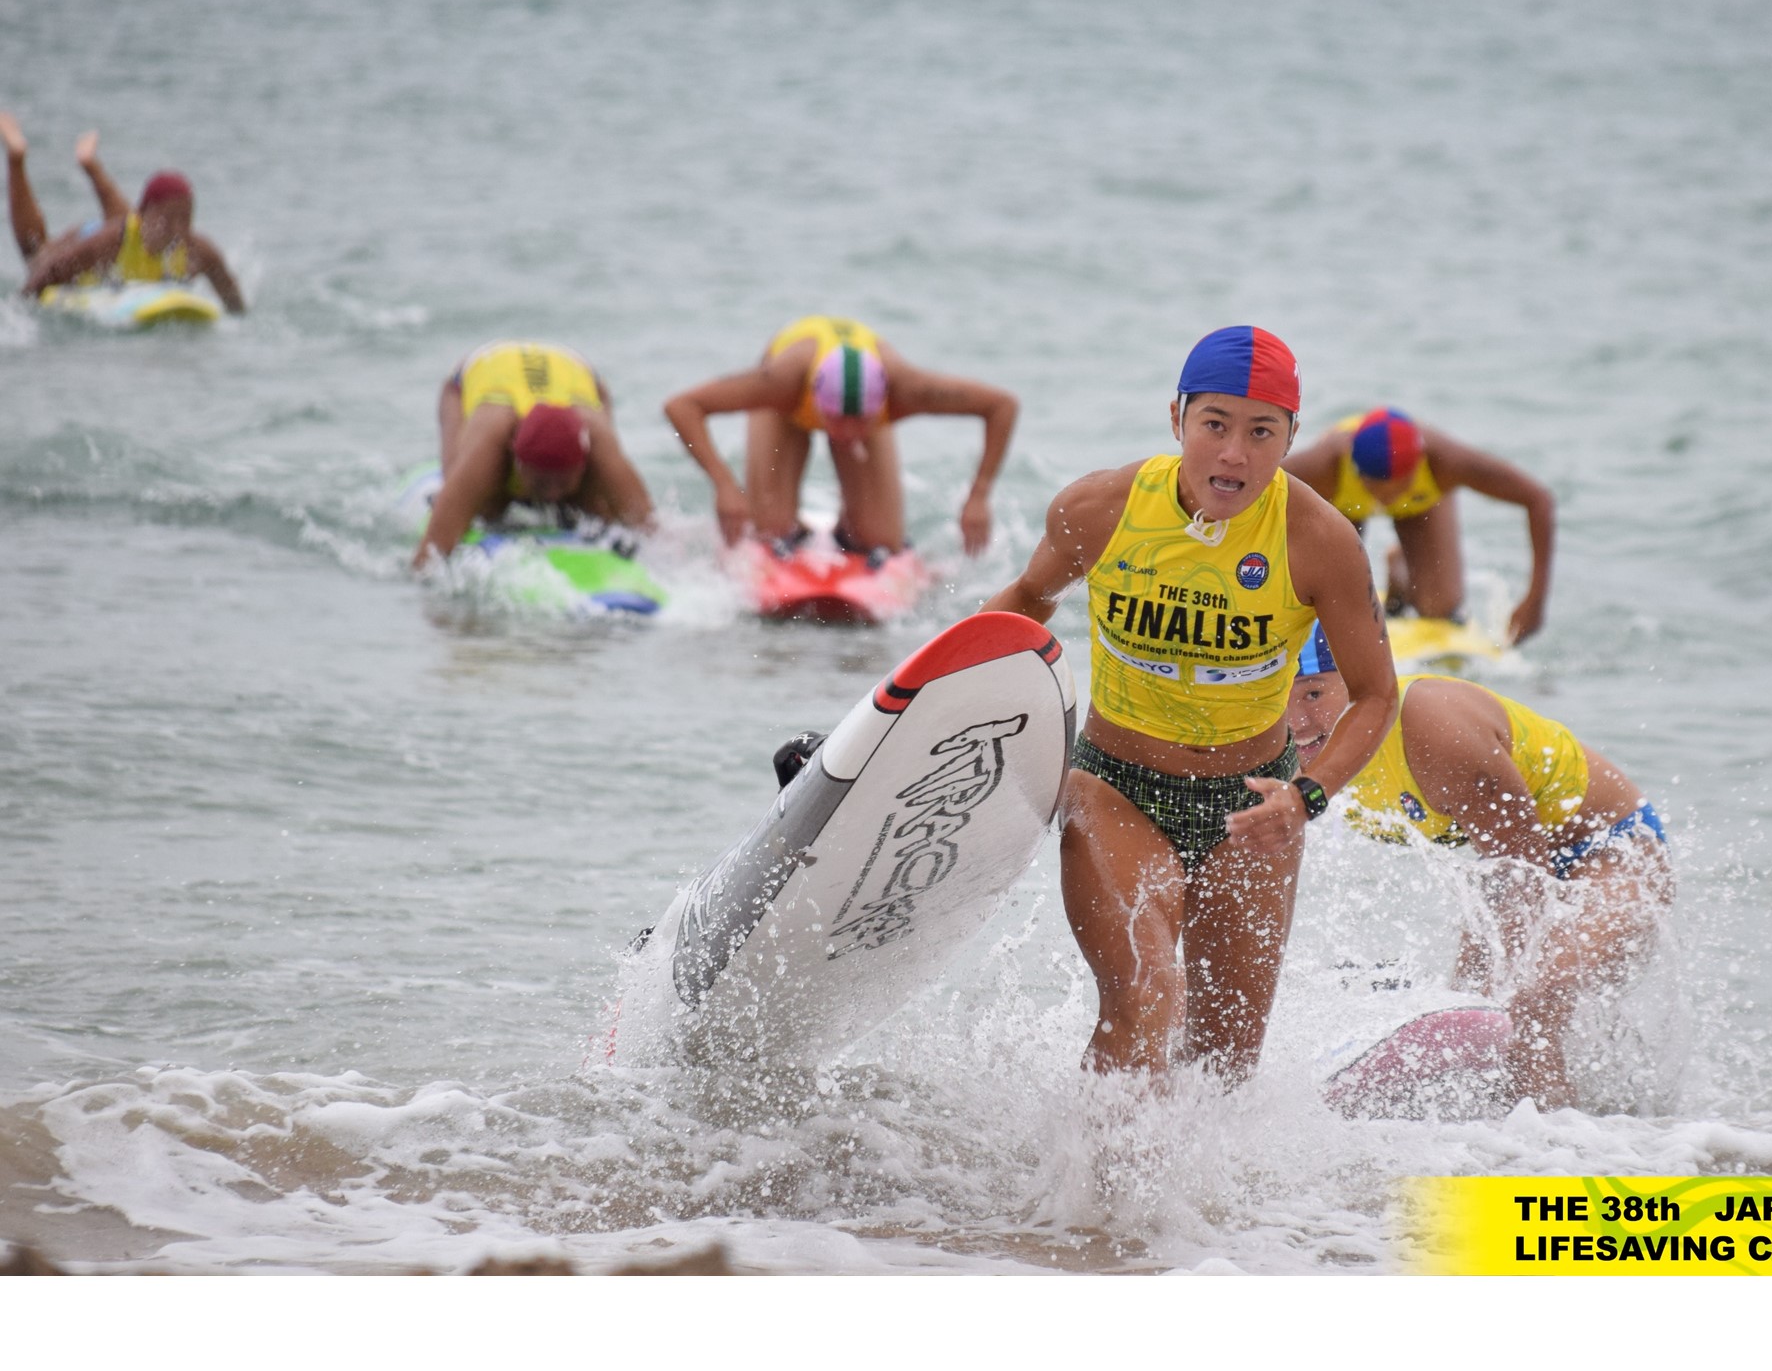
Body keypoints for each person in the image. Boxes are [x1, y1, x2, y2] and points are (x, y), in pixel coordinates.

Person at [980, 326, 1397, 1081]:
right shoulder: (1100, 509)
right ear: (1177, 419)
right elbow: (1025, 600)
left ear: (1290, 436)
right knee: (1145, 996)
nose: (1235, 453)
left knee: (1224, 1066)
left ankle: (1188, 1204)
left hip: (1255, 806)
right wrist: (944, 699)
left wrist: (1306, 795)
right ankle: (1085, 1197)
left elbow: (1375, 695)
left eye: (1261, 431)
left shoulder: (1320, 541)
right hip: (1115, 787)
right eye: (1215, 425)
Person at [1287, 629, 1672, 1110]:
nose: (1297, 720)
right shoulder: (1275, 745)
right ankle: (1492, 1143)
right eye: (1280, 694)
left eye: (1314, 694)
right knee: (1466, 1013)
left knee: (1528, 1000)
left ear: (1365, 683)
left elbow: (1525, 871)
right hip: (1512, 865)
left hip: (1612, 852)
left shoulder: (1431, 728)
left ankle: (1561, 1153)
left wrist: (1498, 990)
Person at [663, 315, 1018, 558]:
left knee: (880, 540)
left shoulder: (908, 390)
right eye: (837, 422)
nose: (848, 435)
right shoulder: (781, 383)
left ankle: (850, 530)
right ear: (817, 402)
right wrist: (724, 485)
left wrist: (979, 495)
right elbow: (682, 406)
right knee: (770, 530)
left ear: (883, 405)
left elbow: (1002, 406)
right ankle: (791, 529)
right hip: (791, 391)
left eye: (860, 422)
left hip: (863, 384)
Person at [1281, 407, 1554, 644]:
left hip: (1421, 503)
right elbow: (1257, 493)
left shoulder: (1445, 463)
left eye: (1397, 488)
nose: (1386, 500)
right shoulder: (1325, 465)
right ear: (1356, 470)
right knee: (1335, 594)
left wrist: (1535, 599)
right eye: (1377, 489)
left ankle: (1401, 568)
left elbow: (1538, 499)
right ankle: (1396, 568)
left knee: (1441, 607)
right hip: (1343, 505)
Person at [413, 340, 655, 567]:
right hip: (477, 371)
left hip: (576, 369)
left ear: (583, 465)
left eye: (561, 483)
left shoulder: (598, 442)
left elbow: (650, 529)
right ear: (515, 458)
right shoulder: (491, 440)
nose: (551, 494)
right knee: (485, 507)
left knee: (600, 508)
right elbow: (429, 556)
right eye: (541, 482)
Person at [4, 115, 246, 312]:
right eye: (170, 219)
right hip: (84, 242)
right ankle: (17, 156)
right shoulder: (107, 244)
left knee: (128, 222)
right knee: (35, 255)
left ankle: (88, 162)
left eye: (185, 219)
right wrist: (20, 311)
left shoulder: (198, 250)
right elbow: (49, 273)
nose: (177, 228)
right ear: (143, 214)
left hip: (129, 233)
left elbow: (232, 296)